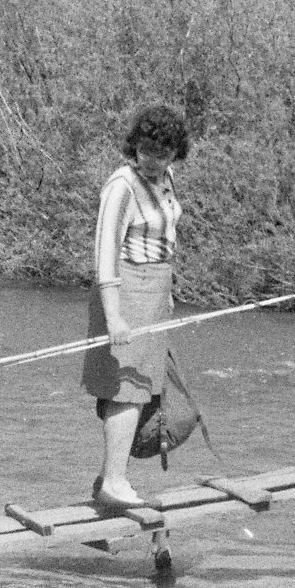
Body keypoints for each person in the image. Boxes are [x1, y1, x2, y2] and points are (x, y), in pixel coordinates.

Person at [82, 103, 191, 509]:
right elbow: (104, 253)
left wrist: (166, 292)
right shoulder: (121, 186)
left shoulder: (167, 179)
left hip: (155, 288)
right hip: (125, 289)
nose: (152, 160)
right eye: (146, 151)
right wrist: (114, 315)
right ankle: (114, 480)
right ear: (135, 146)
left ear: (174, 153)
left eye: (162, 154)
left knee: (145, 387)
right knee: (128, 387)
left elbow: (166, 239)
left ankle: (111, 476)